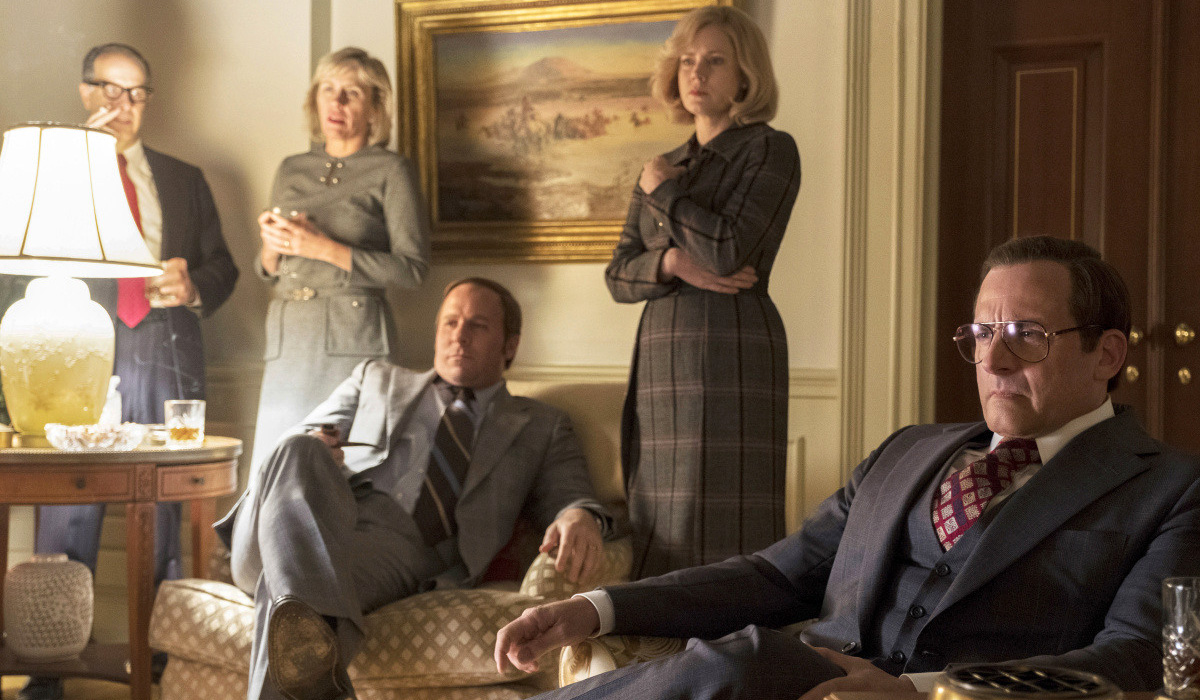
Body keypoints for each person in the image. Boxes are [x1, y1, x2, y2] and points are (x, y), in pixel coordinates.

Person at [495, 236, 1200, 700]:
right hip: (795, 685)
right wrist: (594, 607)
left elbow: (1138, 656)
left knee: (748, 662)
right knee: (748, 660)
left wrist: (921, 691)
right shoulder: (908, 451)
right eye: (982, 333)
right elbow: (776, 575)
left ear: (1107, 355)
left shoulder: (1172, 489)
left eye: (1026, 334)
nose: (992, 359)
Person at [216, 278, 616, 700]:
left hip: (398, 548)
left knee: (292, 591)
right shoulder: (375, 378)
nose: (459, 336)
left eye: (478, 325)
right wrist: (320, 446)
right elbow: (293, 451)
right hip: (297, 525)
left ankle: (308, 649)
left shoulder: (541, 425)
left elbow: (572, 495)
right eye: (450, 323)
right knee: (299, 446)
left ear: (510, 345)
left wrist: (579, 514)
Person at [20, 43, 239, 700]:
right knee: (69, 510)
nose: (124, 105)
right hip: (79, 344)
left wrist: (191, 285)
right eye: (111, 90)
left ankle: (167, 668)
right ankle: (48, 671)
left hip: (166, 348)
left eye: (137, 92)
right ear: (85, 92)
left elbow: (223, 268)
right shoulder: (53, 173)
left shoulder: (182, 178)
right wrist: (80, 164)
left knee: (166, 512)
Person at [605, 5, 801, 577]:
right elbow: (618, 274)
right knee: (660, 530)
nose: (696, 73)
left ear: (745, 76)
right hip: (660, 363)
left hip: (730, 354)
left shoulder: (769, 149)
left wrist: (665, 197)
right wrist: (670, 262)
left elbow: (727, 250)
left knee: (726, 536)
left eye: (714, 61)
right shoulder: (663, 164)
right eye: (688, 60)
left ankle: (735, 636)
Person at [251, 46, 430, 468]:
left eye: (352, 92)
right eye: (328, 89)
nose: (337, 101)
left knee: (345, 469)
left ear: (375, 107)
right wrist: (271, 248)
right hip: (289, 335)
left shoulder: (392, 170)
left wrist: (324, 249)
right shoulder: (291, 168)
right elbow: (270, 270)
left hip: (354, 335)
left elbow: (413, 270)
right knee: (277, 469)